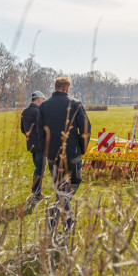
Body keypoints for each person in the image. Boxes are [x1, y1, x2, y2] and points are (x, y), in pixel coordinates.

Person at [36, 77, 90, 231]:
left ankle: (60, 217)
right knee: (75, 181)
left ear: (55, 87)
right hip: (72, 152)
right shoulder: (75, 104)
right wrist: (82, 148)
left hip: (53, 154)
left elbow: (40, 131)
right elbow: (85, 129)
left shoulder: (44, 106)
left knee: (60, 187)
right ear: (67, 89)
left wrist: (46, 150)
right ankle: (58, 212)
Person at [20, 91, 46, 201]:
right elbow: (43, 128)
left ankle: (36, 192)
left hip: (31, 144)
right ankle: (36, 193)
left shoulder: (25, 111)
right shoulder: (39, 111)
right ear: (39, 99)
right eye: (43, 100)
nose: (43, 102)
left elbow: (22, 129)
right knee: (40, 169)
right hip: (40, 145)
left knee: (37, 167)